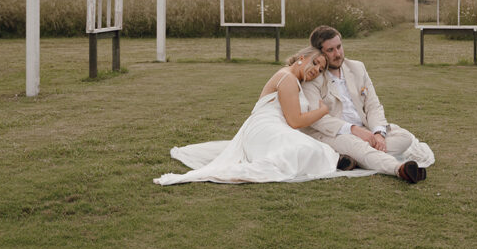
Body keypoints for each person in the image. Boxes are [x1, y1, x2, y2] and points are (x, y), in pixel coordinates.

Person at [154, 47, 367, 185]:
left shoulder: (292, 78)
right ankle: (334, 160)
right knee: (303, 147)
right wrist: (322, 111)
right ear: (301, 58)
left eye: (321, 69)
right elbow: (294, 121)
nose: (316, 70)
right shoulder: (288, 79)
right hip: (266, 125)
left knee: (306, 146)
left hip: (271, 126)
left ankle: (334, 159)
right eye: (315, 63)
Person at [301, 25, 434, 183]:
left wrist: (378, 134)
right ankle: (399, 169)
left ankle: (350, 159)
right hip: (333, 133)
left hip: (365, 129)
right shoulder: (312, 77)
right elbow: (317, 119)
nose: (338, 54)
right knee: (355, 144)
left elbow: (373, 105)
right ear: (319, 53)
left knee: (405, 138)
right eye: (330, 50)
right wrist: (353, 130)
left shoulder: (357, 67)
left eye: (339, 47)